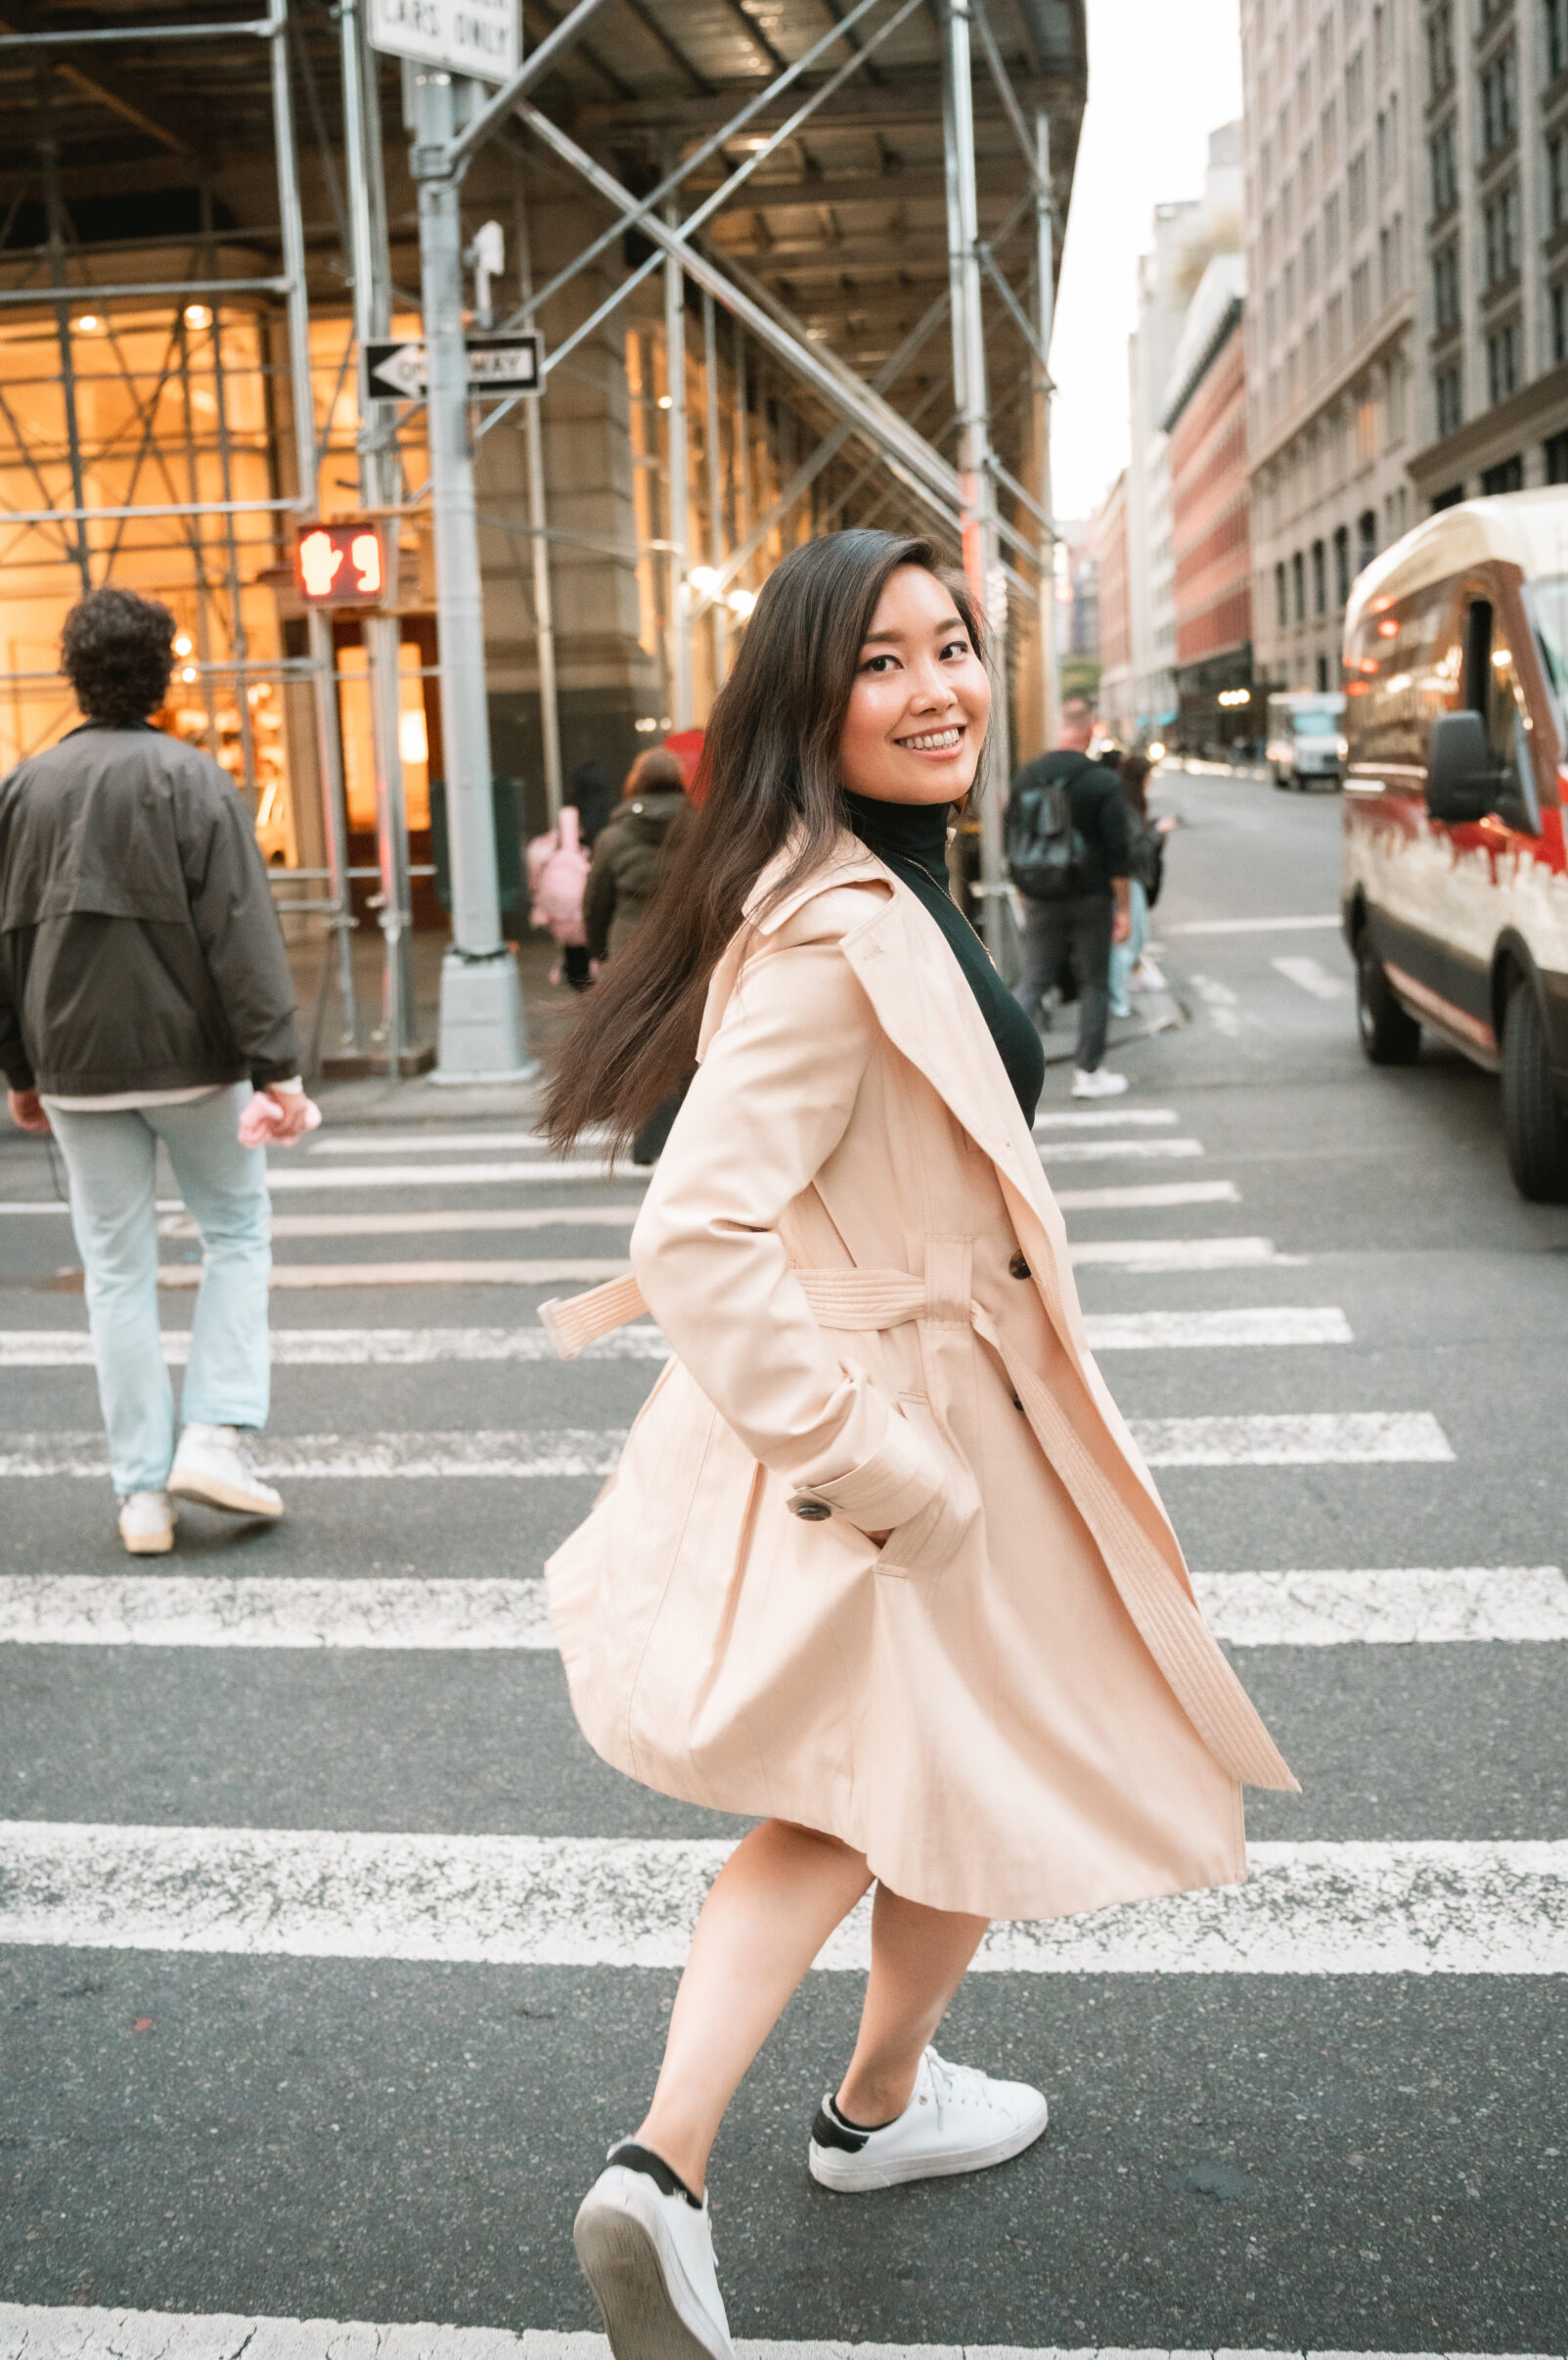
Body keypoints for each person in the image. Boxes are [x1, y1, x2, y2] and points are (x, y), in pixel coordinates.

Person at [537, 530, 1296, 2360]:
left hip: (917, 1403)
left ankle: (844, 2113)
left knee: (913, 1769)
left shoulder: (860, 881)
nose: (935, 688)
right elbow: (695, 1230)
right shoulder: (838, 926)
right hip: (900, 1426)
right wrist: (872, 1461)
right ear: (810, 698)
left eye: (950, 646)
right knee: (920, 1769)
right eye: (880, 664)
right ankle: (715, 2147)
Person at [0, 587, 314, 1556]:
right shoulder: (196, 781)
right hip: (192, 1060)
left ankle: (141, 1495)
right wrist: (279, 1068)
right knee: (234, 1231)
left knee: (115, 1271)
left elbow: (5, 938)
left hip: (74, 1065)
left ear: (74, 673)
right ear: (165, 673)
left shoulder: (25, 789)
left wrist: (18, 1067)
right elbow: (240, 936)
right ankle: (215, 1433)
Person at [1005, 691, 1133, 1098]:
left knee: (1035, 980)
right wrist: (1124, 909)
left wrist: (1026, 889)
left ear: (1059, 728)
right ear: (1090, 731)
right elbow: (1119, 853)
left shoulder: (1027, 776)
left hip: (1041, 894)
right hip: (1092, 896)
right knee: (1094, 982)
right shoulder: (1102, 780)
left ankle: (994, 1068)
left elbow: (1013, 837)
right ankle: (1089, 1074)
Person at [582, 747, 688, 963]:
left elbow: (595, 902)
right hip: (687, 952)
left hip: (627, 954)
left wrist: (599, 951)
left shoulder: (612, 838)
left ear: (635, 781)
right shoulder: (705, 831)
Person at [1108, 750, 1176, 1019]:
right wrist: (1158, 832)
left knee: (1135, 938)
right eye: (1148, 776)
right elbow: (1135, 849)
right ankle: (1118, 1000)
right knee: (1128, 940)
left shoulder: (1129, 802)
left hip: (1132, 878)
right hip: (1129, 878)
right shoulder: (1127, 805)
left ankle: (1123, 992)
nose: (1151, 781)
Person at [527, 804, 592, 988]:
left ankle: (576, 974)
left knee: (574, 947)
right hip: (579, 910)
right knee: (580, 948)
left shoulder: (546, 847)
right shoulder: (583, 849)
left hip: (565, 911)